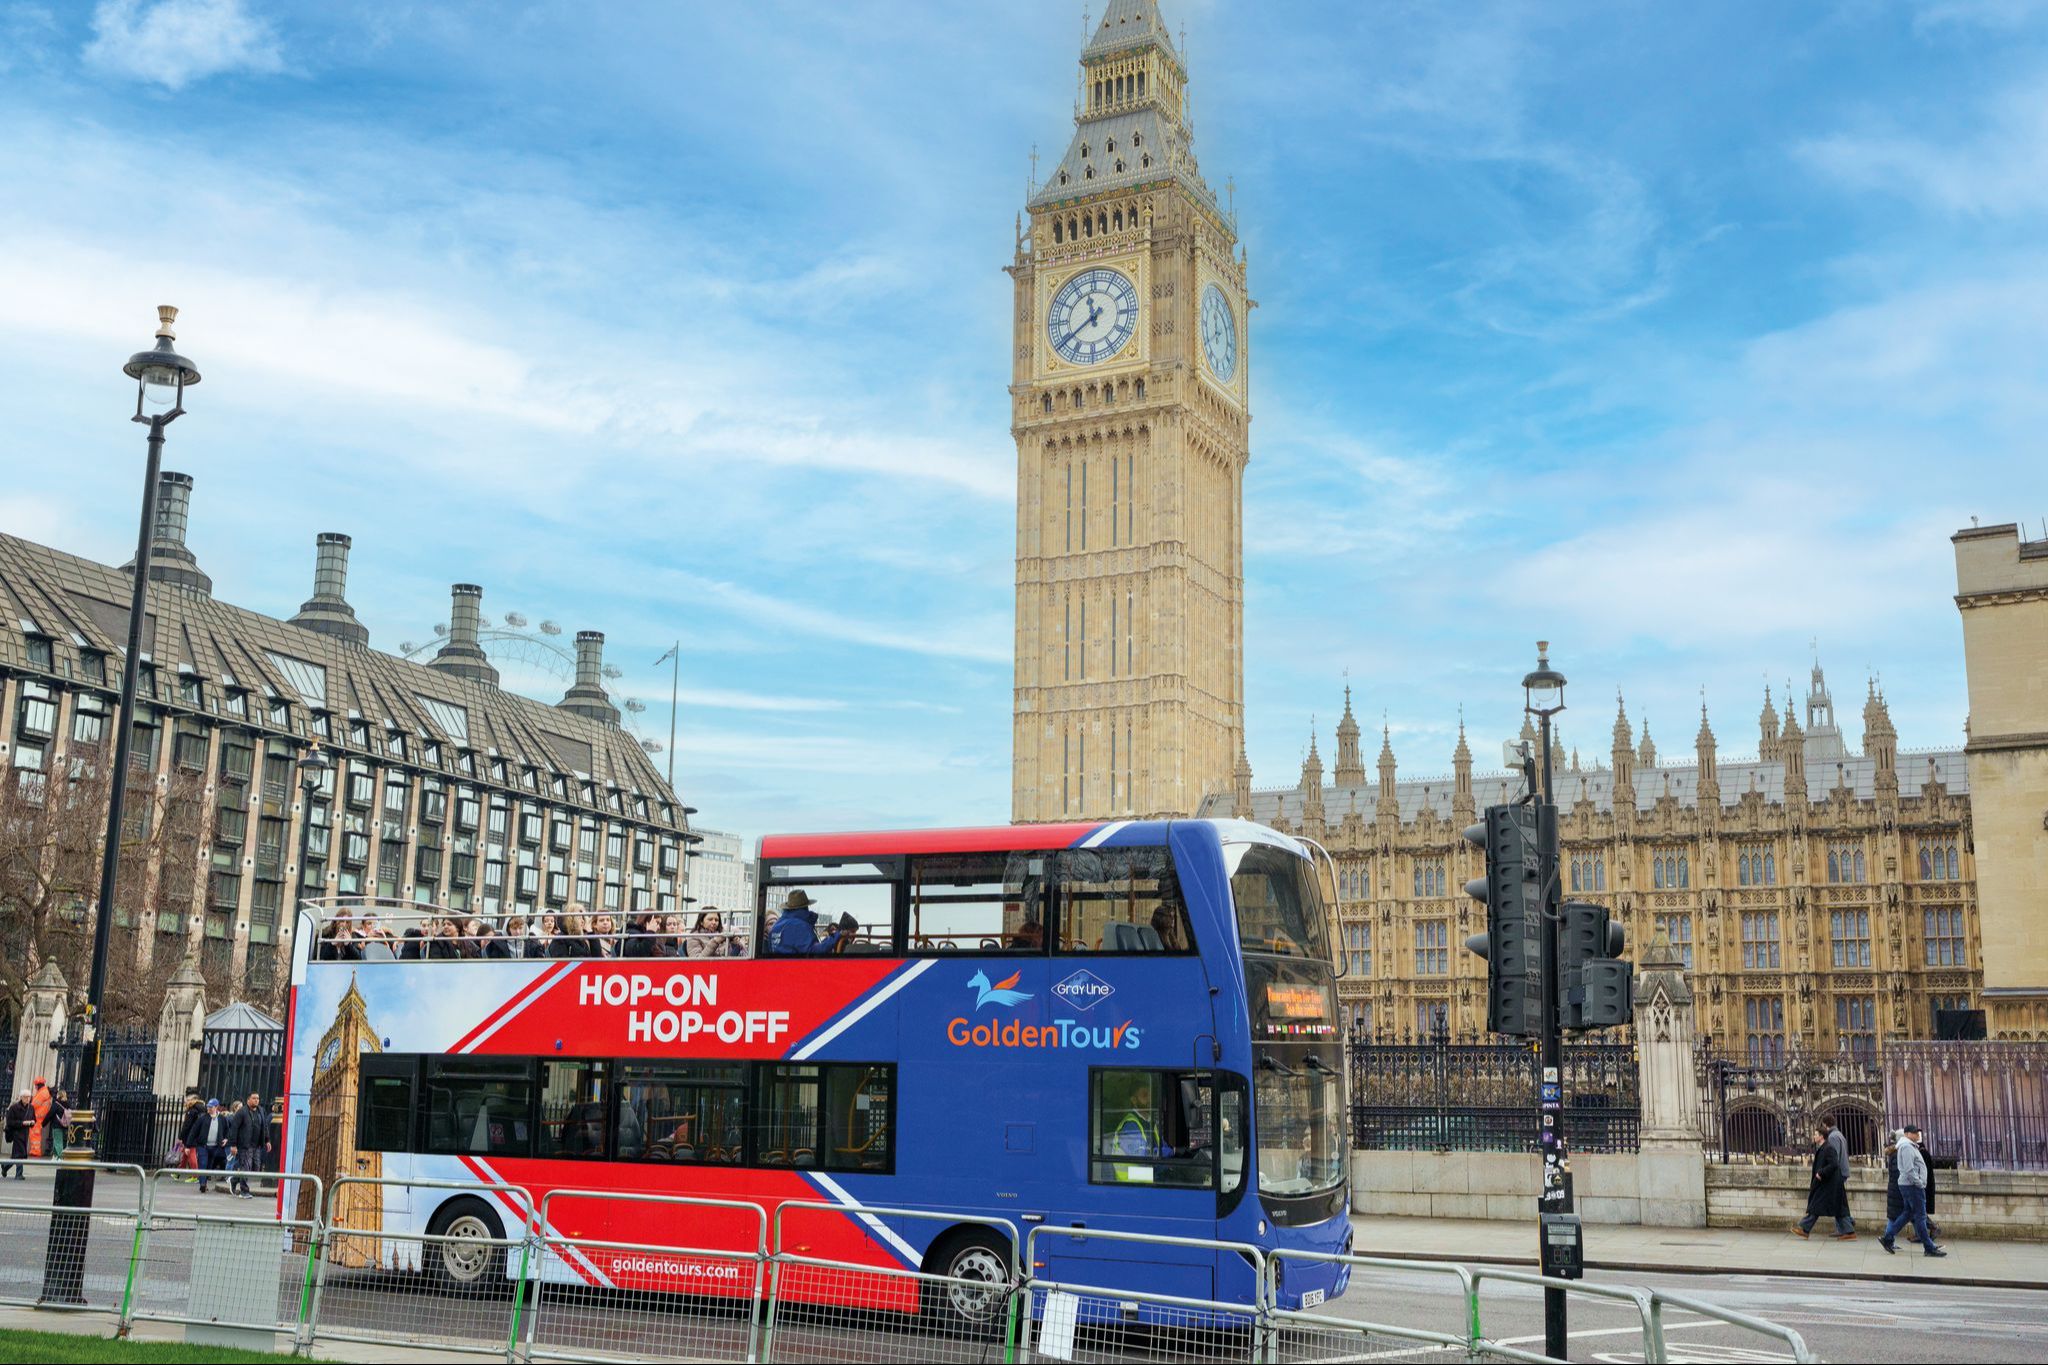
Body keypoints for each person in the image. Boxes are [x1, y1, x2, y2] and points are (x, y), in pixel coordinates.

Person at [1880, 1124, 1946, 1257]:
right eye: (1915, 1133)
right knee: (1920, 1217)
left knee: (1907, 1214)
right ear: (1907, 1134)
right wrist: (1919, 1182)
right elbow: (1909, 1169)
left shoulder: (1908, 1146)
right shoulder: (1906, 1147)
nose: (1918, 1135)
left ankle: (1887, 1238)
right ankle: (1929, 1247)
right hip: (1913, 1186)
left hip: (1911, 1186)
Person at [1792, 1120, 1853, 1240]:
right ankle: (1849, 1231)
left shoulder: (1828, 1148)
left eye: (1815, 1134)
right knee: (1838, 1208)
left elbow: (1834, 1164)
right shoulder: (1824, 1147)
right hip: (1828, 1183)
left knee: (1816, 1205)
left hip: (1829, 1184)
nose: (1813, 1136)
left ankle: (1804, 1228)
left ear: (1821, 1136)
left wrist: (1821, 1172)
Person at [768, 891, 844, 955]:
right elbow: (813, 951)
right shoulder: (800, 926)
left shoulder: (776, 926)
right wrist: (836, 936)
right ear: (806, 907)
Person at [230, 1093, 271, 1198]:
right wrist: (233, 1145)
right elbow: (234, 1128)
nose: (256, 1100)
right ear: (248, 1100)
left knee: (255, 1168)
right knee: (246, 1167)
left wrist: (267, 1140)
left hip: (257, 1145)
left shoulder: (261, 1111)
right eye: (254, 1098)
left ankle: (234, 1179)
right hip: (245, 1145)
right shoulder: (242, 1112)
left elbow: (264, 1126)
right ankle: (244, 1191)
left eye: (257, 1098)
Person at [196, 1098, 231, 1194]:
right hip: (203, 1146)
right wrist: (188, 1146)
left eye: (211, 1107)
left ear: (216, 1107)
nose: (209, 1109)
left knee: (209, 1166)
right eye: (208, 1107)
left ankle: (205, 1182)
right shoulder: (203, 1118)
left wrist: (226, 1139)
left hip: (215, 1146)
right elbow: (194, 1131)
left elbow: (227, 1131)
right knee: (202, 1164)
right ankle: (202, 1184)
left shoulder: (222, 1119)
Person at [2, 1091, 31, 1178]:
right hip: (16, 1133)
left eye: (29, 1097)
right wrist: (22, 1123)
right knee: (20, 1153)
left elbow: (33, 1118)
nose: (27, 1099)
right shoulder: (14, 1108)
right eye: (26, 1097)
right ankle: (19, 1174)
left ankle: (5, 1166)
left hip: (25, 1133)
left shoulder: (31, 1108)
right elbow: (10, 1122)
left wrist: (32, 1122)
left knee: (17, 1154)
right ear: (21, 1097)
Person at [27, 1078, 51, 1160]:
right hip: (40, 1116)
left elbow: (34, 1104)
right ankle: (34, 1150)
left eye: (36, 1085)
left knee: (35, 1134)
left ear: (38, 1085)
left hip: (37, 1117)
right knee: (35, 1134)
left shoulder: (42, 1093)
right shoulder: (44, 1092)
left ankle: (35, 1151)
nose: (35, 1087)